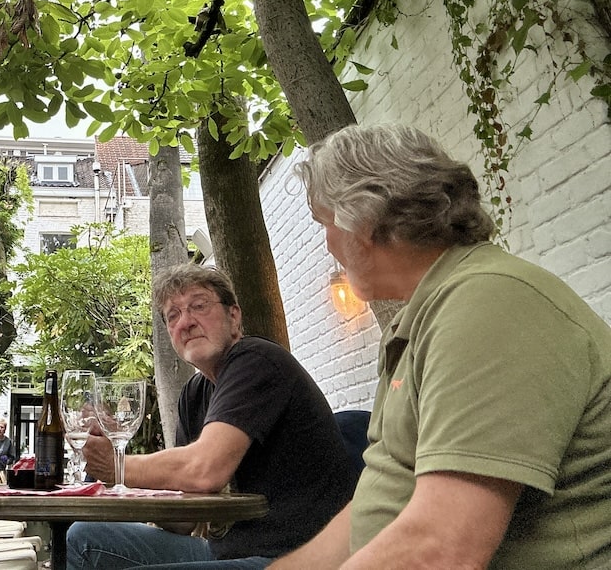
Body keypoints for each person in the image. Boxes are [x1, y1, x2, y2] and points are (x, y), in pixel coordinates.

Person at [178, 123, 611, 570]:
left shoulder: (491, 304)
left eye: (325, 224)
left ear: (362, 219)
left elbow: (443, 548)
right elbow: (371, 516)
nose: (328, 244)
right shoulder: (419, 323)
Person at [67, 263, 353, 570]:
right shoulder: (194, 394)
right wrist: (113, 443)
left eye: (199, 306)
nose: (185, 322)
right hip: (225, 553)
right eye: (172, 315)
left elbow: (205, 470)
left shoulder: (256, 360)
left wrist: (117, 465)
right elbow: (184, 520)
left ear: (234, 317)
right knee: (84, 536)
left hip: (291, 557)